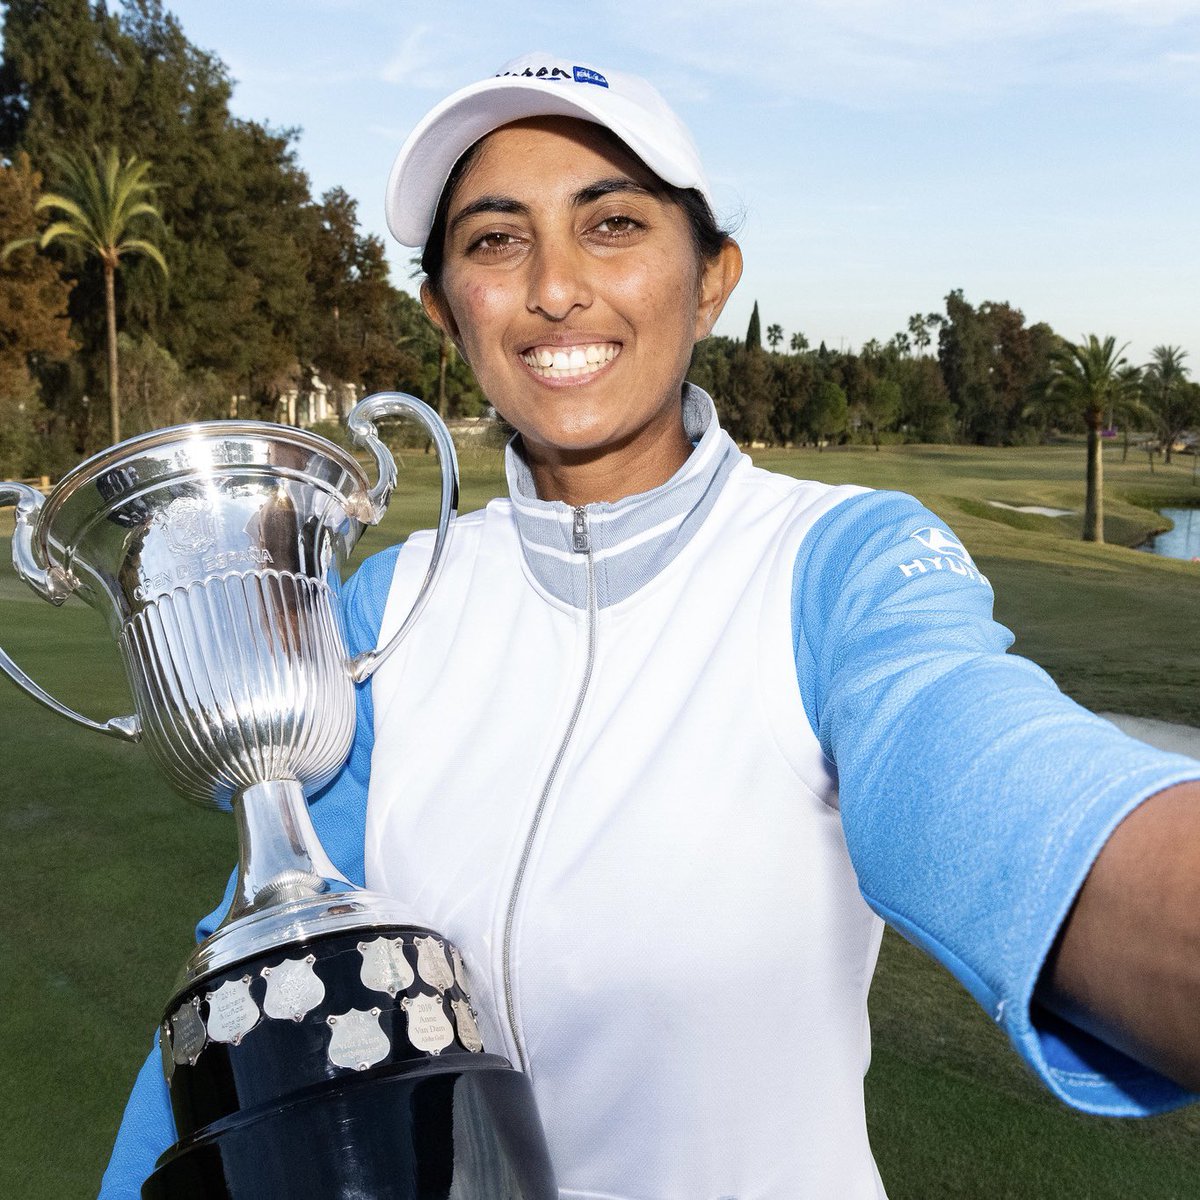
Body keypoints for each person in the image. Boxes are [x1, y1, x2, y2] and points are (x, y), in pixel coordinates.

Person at [101, 53, 1200, 1199]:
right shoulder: (387, 604)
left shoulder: (837, 562)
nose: (557, 287)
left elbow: (985, 781)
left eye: (613, 223)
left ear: (712, 277)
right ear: (444, 308)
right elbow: (253, 973)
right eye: (494, 240)